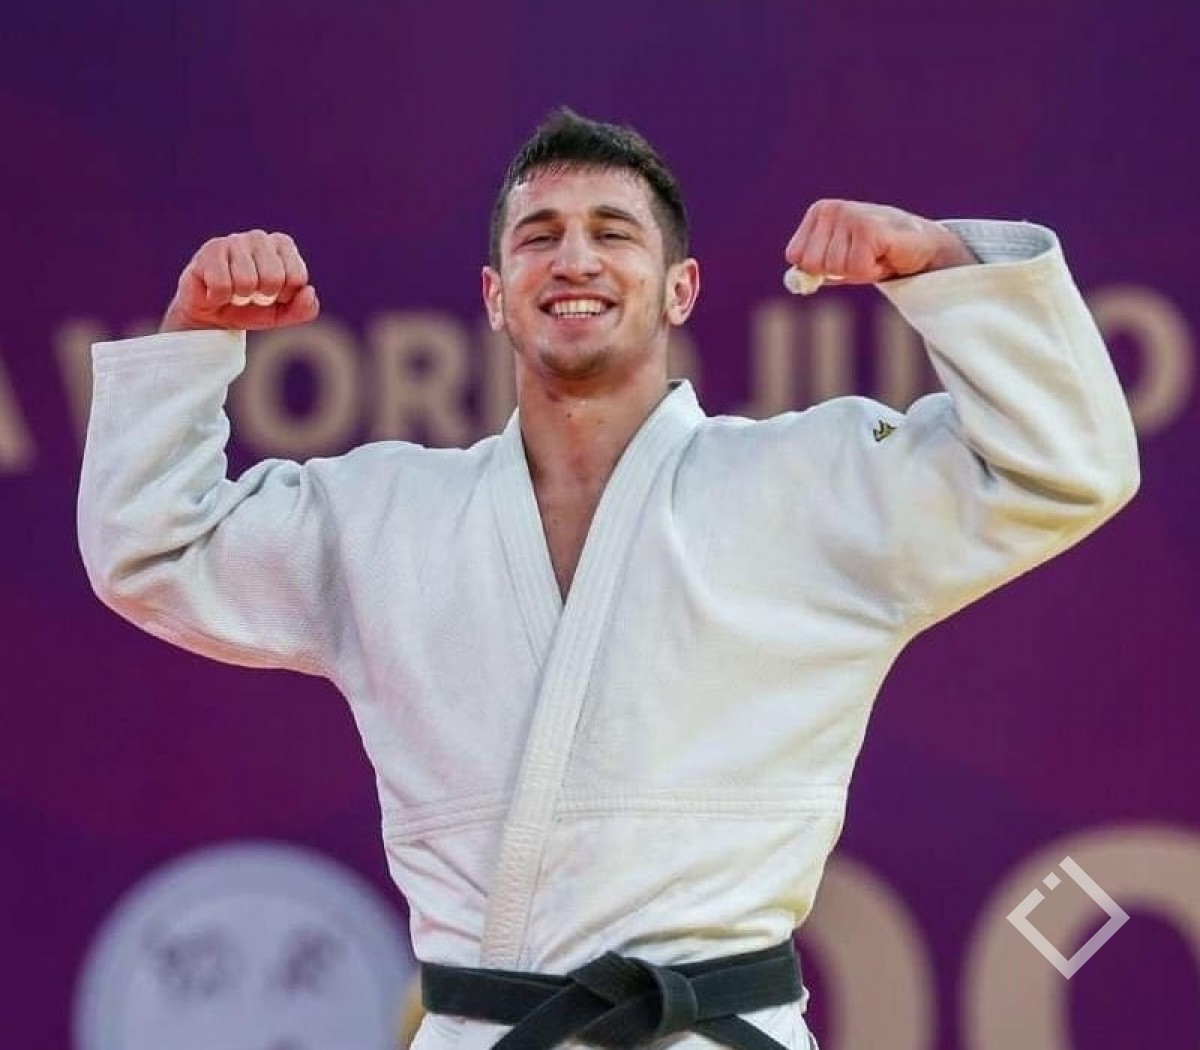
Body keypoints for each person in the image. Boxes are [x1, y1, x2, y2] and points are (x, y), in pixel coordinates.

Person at [77, 107, 1139, 1049]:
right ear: (496, 297)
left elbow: (1065, 465)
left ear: (680, 288)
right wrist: (198, 336)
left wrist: (938, 261)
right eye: (538, 237)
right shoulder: (388, 516)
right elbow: (152, 549)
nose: (573, 258)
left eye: (613, 233)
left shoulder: (805, 490)